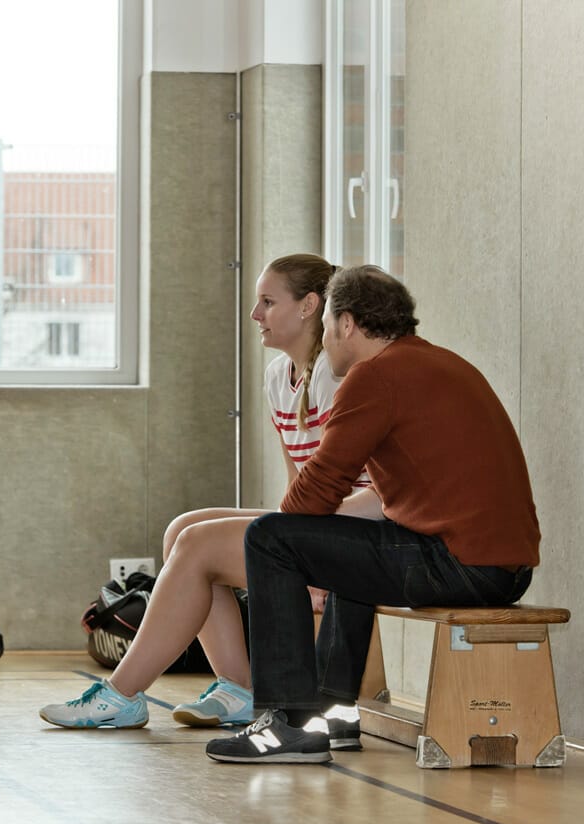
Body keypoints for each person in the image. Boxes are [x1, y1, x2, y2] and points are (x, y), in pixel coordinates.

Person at [206, 265, 541, 764]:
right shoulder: (441, 363)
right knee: (347, 548)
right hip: (504, 570)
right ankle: (333, 712)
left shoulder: (375, 377)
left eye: (325, 330)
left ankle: (286, 724)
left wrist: (291, 549)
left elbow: (315, 493)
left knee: (269, 539)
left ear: (345, 325)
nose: (324, 341)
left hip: (460, 565)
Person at [39, 254, 380, 736]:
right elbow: (299, 483)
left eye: (267, 301)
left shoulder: (337, 374)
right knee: (183, 528)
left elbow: (379, 495)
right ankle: (238, 687)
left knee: (199, 545)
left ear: (308, 307)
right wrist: (297, 542)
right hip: (323, 524)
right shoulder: (275, 378)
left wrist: (309, 549)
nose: (254, 314)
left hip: (361, 529)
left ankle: (123, 694)